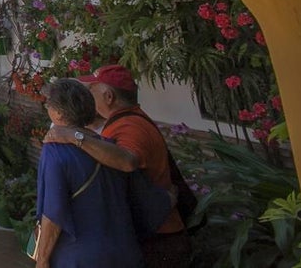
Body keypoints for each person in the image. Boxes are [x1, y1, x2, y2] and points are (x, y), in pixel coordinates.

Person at [43, 64, 191, 267]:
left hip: (156, 233)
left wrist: (73, 135)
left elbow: (127, 161)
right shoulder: (121, 123)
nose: (86, 97)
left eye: (91, 90)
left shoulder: (130, 127)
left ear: (108, 96)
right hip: (139, 232)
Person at [34, 78, 142, 268]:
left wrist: (42, 259)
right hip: (122, 249)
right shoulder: (107, 145)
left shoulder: (55, 150)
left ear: (58, 113)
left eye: (48, 105)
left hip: (79, 255)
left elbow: (54, 212)